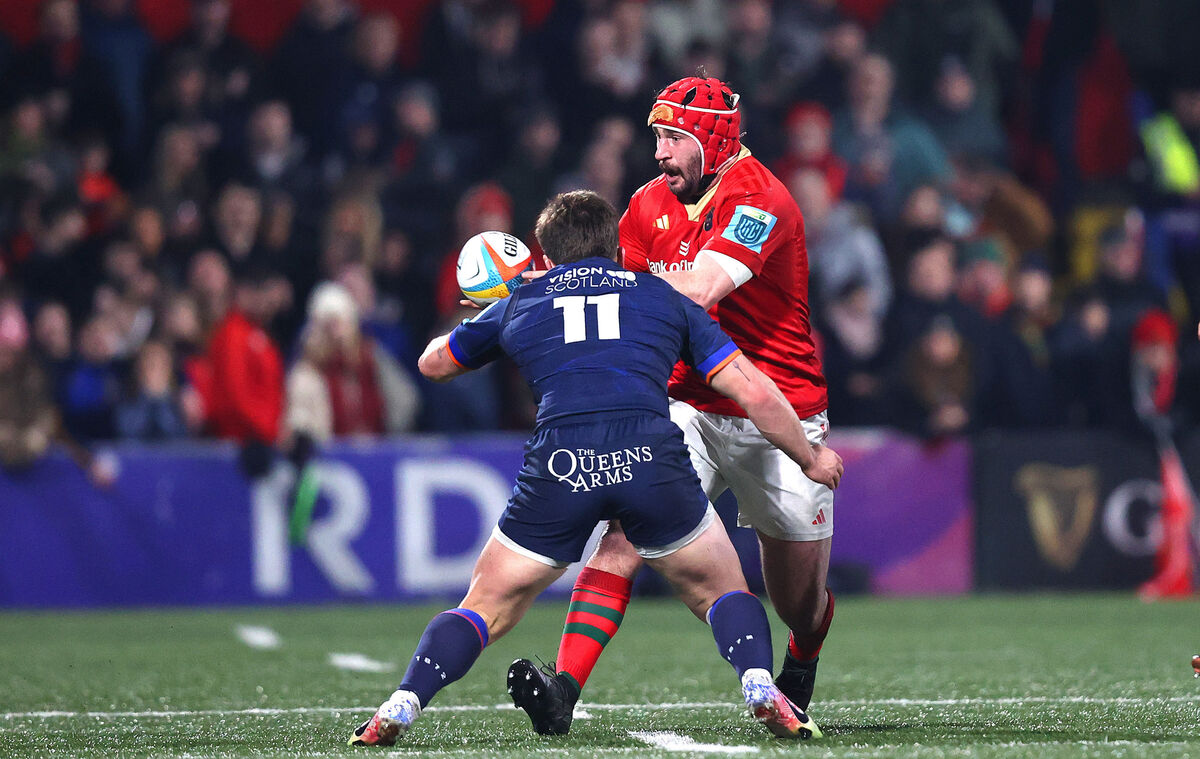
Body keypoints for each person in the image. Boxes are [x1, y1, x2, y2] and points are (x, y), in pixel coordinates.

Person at [346, 191, 842, 747]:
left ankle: (404, 700)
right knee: (722, 590)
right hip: (649, 460)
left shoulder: (522, 300)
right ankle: (756, 681)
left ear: (546, 254)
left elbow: (432, 364)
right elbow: (751, 388)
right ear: (616, 244)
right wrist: (810, 455)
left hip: (561, 465)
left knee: (485, 604)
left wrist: (499, 303)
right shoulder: (663, 296)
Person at [514, 76, 841, 736]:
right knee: (622, 534)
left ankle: (799, 667)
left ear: (714, 141)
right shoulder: (647, 203)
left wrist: (599, 278)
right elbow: (612, 298)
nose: (659, 152)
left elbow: (702, 287)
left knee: (797, 601)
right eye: (657, 136)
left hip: (775, 408)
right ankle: (563, 687)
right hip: (687, 403)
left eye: (672, 138)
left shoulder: (761, 198)